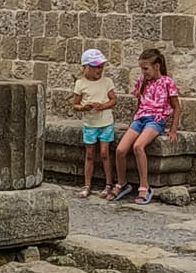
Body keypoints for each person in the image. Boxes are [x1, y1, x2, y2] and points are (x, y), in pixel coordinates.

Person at [111, 46, 180, 205]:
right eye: (142, 69)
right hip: (140, 119)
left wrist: (173, 129)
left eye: (146, 68)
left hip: (156, 120)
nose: (144, 72)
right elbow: (140, 103)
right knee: (121, 149)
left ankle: (144, 186)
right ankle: (122, 183)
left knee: (138, 146)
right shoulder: (142, 82)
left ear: (156, 66)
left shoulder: (167, 82)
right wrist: (132, 123)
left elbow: (177, 107)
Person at [71, 48, 117, 197]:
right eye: (96, 66)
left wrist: (102, 106)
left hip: (105, 123)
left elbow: (113, 100)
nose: (100, 69)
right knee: (89, 155)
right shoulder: (80, 84)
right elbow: (75, 105)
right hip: (90, 124)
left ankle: (108, 184)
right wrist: (84, 107)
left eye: (101, 66)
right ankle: (87, 185)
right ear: (87, 67)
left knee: (105, 153)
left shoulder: (107, 82)